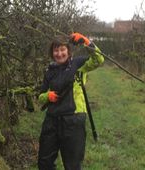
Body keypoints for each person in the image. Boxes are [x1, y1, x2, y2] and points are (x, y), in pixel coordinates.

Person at [37, 32, 104, 170]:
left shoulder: (78, 64)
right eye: (56, 50)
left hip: (73, 120)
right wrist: (47, 96)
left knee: (72, 165)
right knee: (44, 162)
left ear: (68, 51)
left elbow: (98, 60)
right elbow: (40, 96)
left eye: (62, 49)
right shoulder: (49, 70)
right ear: (52, 53)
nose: (59, 53)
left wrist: (87, 42)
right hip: (52, 120)